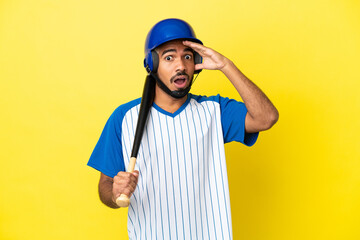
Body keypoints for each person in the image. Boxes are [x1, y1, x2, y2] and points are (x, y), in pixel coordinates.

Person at [88, 18, 278, 240]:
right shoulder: (124, 117)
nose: (181, 66)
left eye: (187, 57)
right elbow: (105, 187)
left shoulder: (215, 111)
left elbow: (267, 117)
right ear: (152, 64)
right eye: (169, 57)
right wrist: (115, 192)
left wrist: (226, 65)